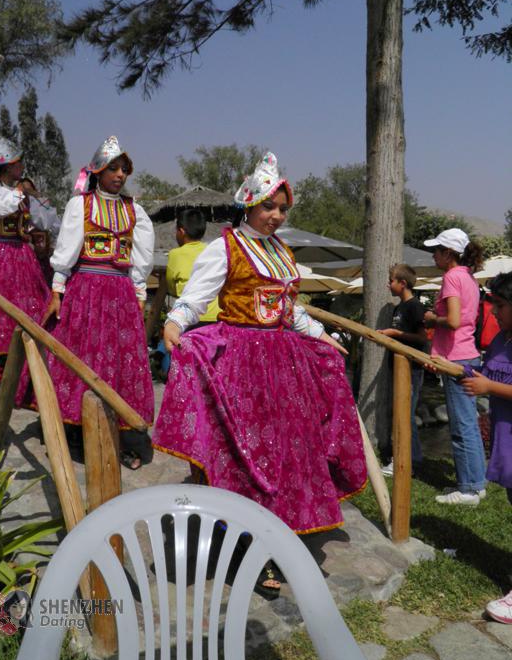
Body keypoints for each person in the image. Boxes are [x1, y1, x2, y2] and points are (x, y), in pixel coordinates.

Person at [153, 152, 367, 598]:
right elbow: (196, 298)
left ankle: (278, 536)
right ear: (248, 204)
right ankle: (245, 548)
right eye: (269, 206)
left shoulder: (283, 253)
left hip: (285, 365)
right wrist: (174, 323)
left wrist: (322, 335)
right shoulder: (226, 247)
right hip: (243, 367)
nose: (276, 215)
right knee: (250, 456)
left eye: (283, 208)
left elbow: (290, 311)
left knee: (288, 453)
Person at [42, 135, 155, 470]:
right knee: (83, 357)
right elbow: (67, 250)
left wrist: (139, 294)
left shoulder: (135, 210)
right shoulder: (81, 205)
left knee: (118, 362)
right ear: (98, 171)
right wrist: (57, 289)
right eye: (113, 168)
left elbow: (140, 259)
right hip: (86, 291)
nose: (119, 175)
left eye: (124, 169)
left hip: (120, 293)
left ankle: (114, 433)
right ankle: (76, 431)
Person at [0, 139, 56, 359]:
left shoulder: (20, 193)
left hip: (21, 254)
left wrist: (41, 206)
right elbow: (1, 208)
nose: (22, 167)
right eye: (18, 163)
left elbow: (43, 221)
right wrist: (20, 193)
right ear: (8, 166)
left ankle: (26, 344)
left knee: (28, 300)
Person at [459, 273, 512, 622]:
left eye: (502, 306)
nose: (494, 313)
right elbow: (484, 370)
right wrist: (453, 369)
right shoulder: (502, 339)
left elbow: (492, 383)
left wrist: (489, 387)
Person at [423, 228, 486, 505]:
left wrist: (430, 318)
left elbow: (452, 321)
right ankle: (476, 483)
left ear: (449, 253)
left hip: (456, 357)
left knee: (461, 425)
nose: (433, 255)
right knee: (468, 423)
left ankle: (469, 489)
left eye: (436, 250)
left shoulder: (451, 277)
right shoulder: (468, 278)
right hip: (468, 354)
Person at [378, 263, 428, 475]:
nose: (388, 284)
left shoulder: (414, 307)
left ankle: (411, 461)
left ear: (403, 283)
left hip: (411, 369)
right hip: (397, 368)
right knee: (399, 413)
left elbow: (422, 338)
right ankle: (404, 458)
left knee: (405, 415)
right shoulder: (399, 308)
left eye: (391, 281)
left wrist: (395, 334)